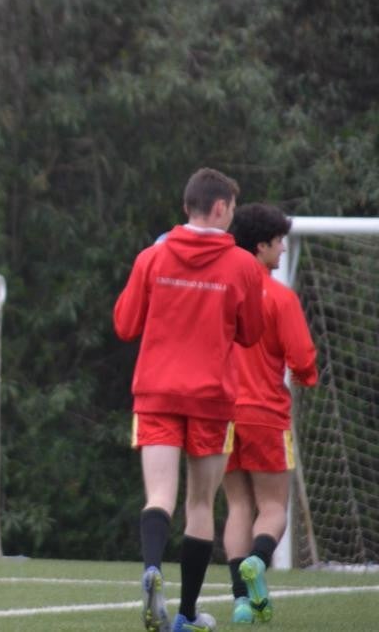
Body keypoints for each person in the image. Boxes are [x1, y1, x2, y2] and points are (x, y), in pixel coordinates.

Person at [113, 167, 267, 632]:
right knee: (200, 505)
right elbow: (252, 333)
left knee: (159, 494)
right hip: (211, 400)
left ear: (187, 207)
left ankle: (151, 569)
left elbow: (124, 325)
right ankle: (184, 615)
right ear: (220, 208)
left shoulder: (151, 258)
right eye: (233, 210)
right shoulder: (242, 265)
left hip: (156, 392)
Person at [222, 203, 317, 624]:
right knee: (274, 506)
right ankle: (259, 560)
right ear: (261, 246)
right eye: (278, 243)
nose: (282, 251)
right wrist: (303, 376)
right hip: (264, 414)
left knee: (238, 506)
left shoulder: (221, 292)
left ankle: (241, 600)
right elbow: (302, 359)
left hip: (221, 415)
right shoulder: (279, 296)